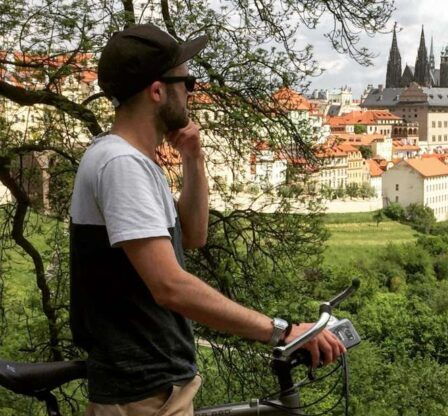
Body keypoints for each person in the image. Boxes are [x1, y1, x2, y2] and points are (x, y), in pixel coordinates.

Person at [69, 24, 345, 415]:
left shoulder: (131, 160)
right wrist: (281, 330)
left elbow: (194, 236)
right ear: (157, 90)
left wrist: (193, 156)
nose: (192, 92)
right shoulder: (121, 164)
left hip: (157, 386)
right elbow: (171, 287)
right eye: (187, 81)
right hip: (143, 394)